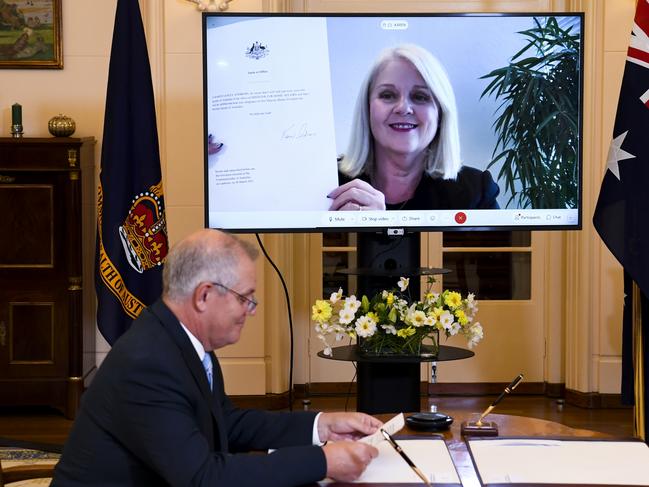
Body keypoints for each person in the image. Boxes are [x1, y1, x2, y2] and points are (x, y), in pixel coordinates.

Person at [52, 229, 380, 486]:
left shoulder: (184, 340)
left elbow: (228, 423)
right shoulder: (148, 363)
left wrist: (321, 426)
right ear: (204, 295)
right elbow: (202, 477)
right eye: (245, 299)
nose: (250, 311)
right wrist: (323, 461)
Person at [328, 44, 500, 212]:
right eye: (388, 95)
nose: (403, 108)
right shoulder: (327, 183)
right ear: (367, 108)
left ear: (440, 113)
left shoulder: (477, 192)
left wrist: (379, 225)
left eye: (420, 96)